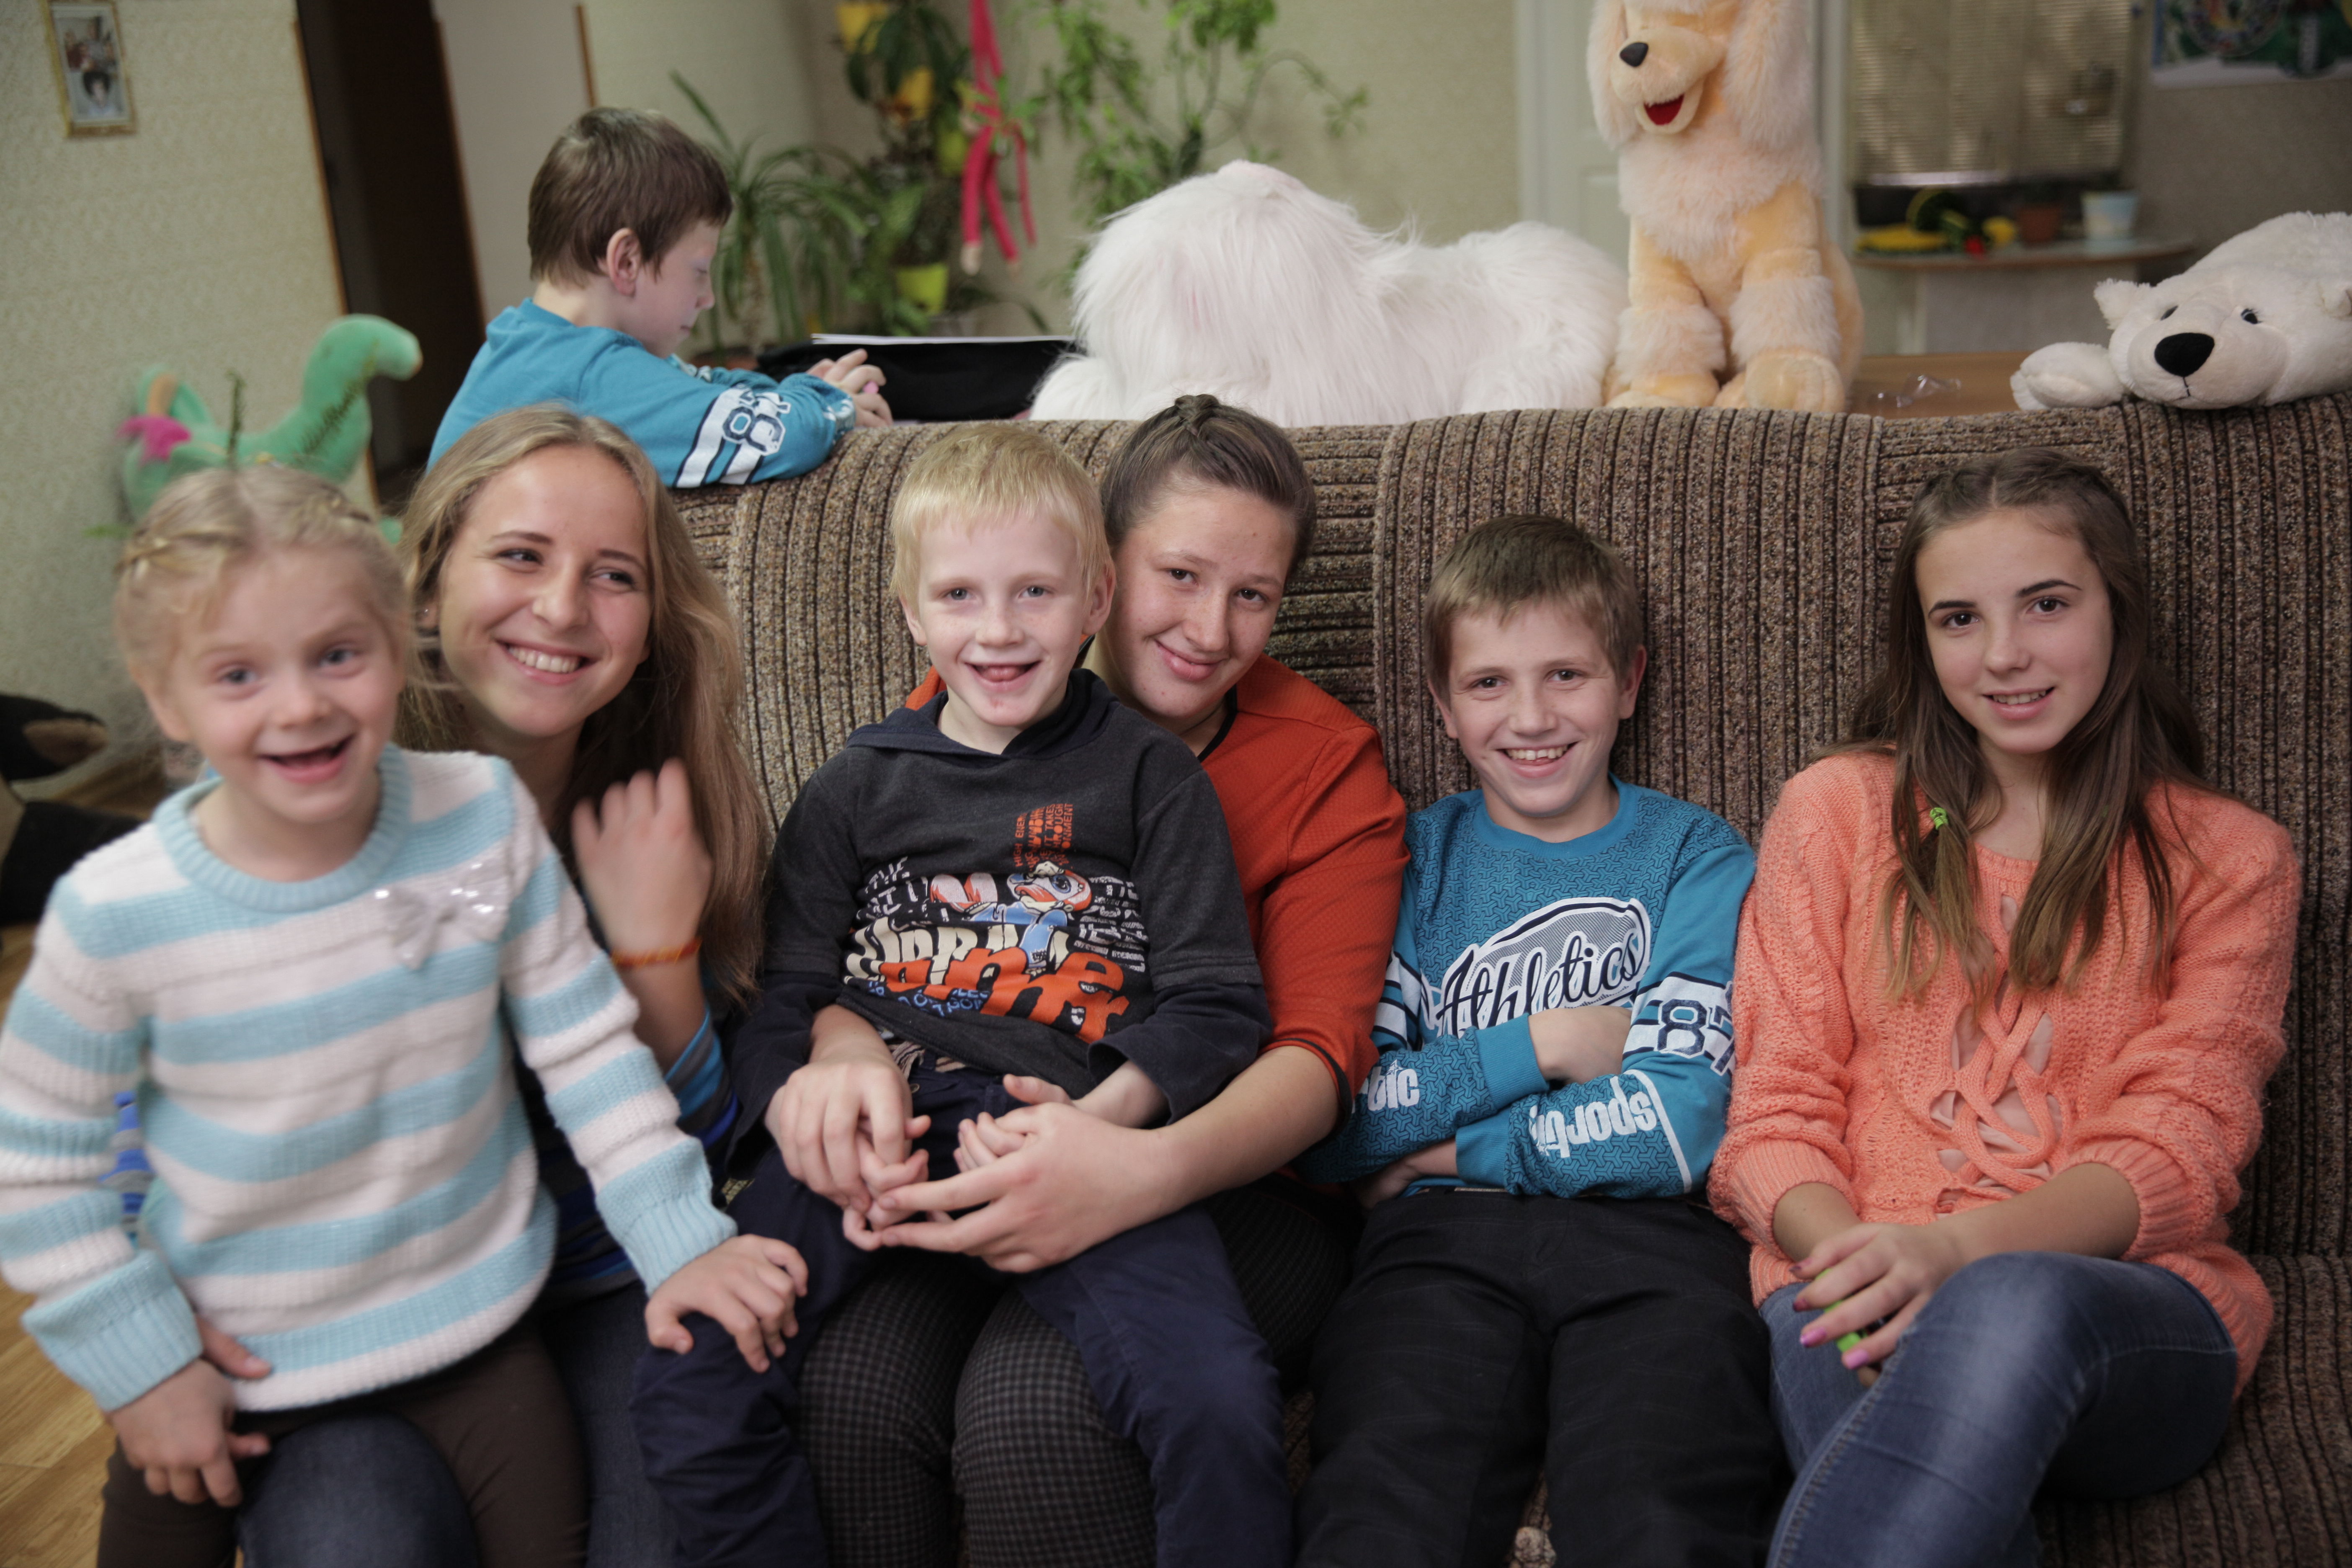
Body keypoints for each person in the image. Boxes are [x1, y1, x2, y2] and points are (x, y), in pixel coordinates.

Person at [0, 465, 797, 1568]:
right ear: (166, 699)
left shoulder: (479, 817)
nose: (302, 705)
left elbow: (590, 1058)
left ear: (391, 642)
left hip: (484, 1329)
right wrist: (142, 1359)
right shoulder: (114, 910)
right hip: (246, 1357)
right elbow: (42, 1167)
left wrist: (685, 1245)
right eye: (238, 673)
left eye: (338, 655)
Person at [634, 422, 1292, 1568]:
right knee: (695, 1366)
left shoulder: (1153, 777)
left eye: (1035, 591)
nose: (998, 630)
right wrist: (807, 1098)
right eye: (959, 595)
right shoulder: (855, 787)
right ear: (911, 611)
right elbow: (782, 991)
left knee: (1216, 1394)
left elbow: (1217, 1008)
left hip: (1072, 1134)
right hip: (879, 1134)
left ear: (1095, 599)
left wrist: (1099, 1128)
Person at [779, 395, 1410, 1568]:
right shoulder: (972, 702)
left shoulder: (1327, 767)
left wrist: (1133, 1164)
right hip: (968, 1136)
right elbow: (852, 956)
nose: (1210, 629)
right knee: (852, 1392)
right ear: (1102, 570)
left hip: (1226, 1180)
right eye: (1180, 575)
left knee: (1034, 1414)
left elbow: (1316, 1059)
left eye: (1254, 594)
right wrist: (843, 1047)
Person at [1712, 447, 2301, 1568]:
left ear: (2117, 608)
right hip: (1846, 1279)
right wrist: (1866, 1267)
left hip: (2124, 1315)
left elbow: (2179, 1149)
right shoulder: (1838, 813)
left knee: (2008, 1302)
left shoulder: (2231, 860)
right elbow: (1774, 1113)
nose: (2003, 655)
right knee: (1846, 1358)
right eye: (1959, 619)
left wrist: (1953, 1253)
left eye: (2046, 604)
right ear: (1922, 641)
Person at [1285, 514, 1781, 1568]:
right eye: (1488, 683)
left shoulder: (1698, 857)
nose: (1532, 717)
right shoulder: (1407, 861)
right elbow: (1334, 1124)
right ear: (1442, 704)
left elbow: (1677, 1127)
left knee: (1663, 1506)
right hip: (1437, 1250)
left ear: (1628, 681)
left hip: (1659, 1244)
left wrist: (1442, 1148)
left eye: (1567, 674)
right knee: (1381, 1507)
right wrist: (1543, 1042)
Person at [429, 107, 890, 482]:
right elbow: (789, 439)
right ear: (627, 262)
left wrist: (795, 389)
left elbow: (696, 387)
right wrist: (830, 402)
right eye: (699, 271)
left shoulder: (528, 341)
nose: (708, 297)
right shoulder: (591, 375)